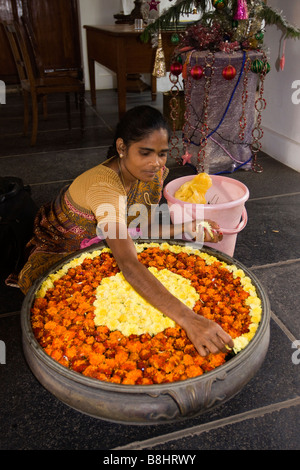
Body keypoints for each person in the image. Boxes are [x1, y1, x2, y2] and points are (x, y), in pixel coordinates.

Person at [18, 105, 234, 357]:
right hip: (61, 256)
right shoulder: (104, 187)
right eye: (145, 153)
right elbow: (129, 264)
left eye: (162, 154)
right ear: (122, 148)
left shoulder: (148, 173)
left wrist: (189, 228)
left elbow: (141, 226)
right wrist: (190, 319)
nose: (156, 163)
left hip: (109, 242)